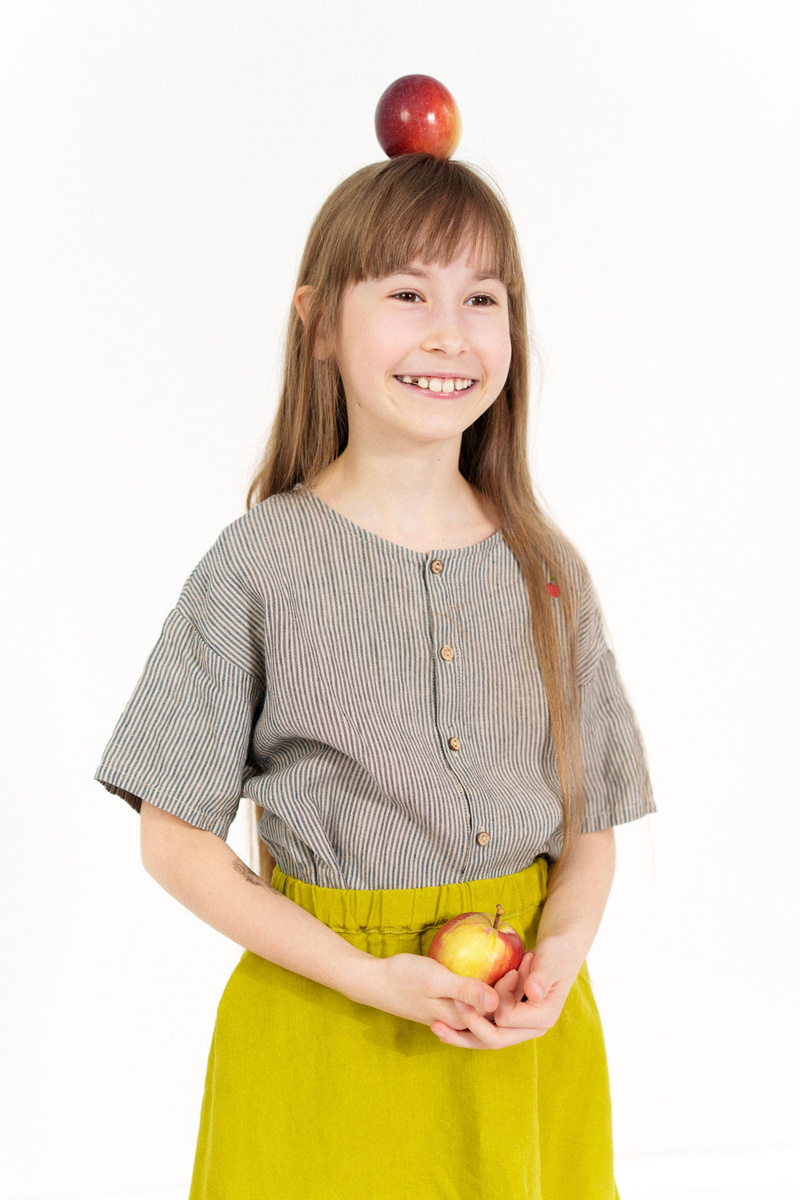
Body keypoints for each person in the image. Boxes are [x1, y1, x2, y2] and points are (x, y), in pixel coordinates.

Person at [94, 152, 655, 1199]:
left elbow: (589, 826)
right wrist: (366, 974)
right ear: (317, 323)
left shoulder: (545, 569)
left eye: (481, 298)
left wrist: (560, 957)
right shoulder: (258, 564)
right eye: (406, 294)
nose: (449, 333)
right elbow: (173, 839)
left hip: (516, 1041)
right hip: (321, 1028)